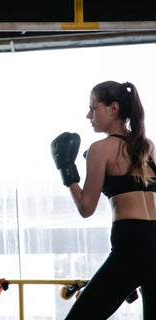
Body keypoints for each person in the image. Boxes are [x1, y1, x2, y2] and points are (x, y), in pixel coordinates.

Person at [51, 80, 156, 319]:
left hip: (131, 242)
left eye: (93, 107)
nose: (88, 114)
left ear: (114, 109)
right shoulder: (147, 146)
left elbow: (86, 208)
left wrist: (67, 171)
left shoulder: (101, 149)